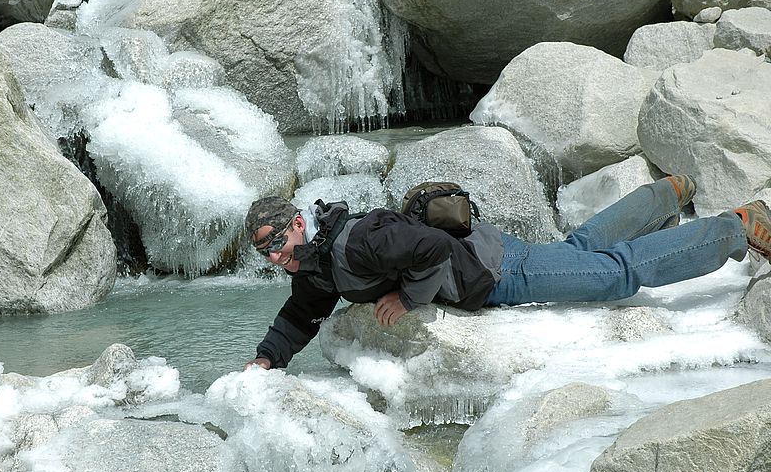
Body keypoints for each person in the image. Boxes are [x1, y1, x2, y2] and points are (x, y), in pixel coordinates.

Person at [243, 175, 771, 370]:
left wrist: (407, 300)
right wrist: (267, 359)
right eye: (262, 252)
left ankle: (732, 228)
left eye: (274, 242)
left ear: (295, 223)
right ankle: (664, 194)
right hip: (490, 258)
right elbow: (302, 314)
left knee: (612, 276)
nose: (272, 256)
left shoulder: (357, 240)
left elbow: (429, 248)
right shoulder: (312, 263)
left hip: (496, 269)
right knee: (578, 252)